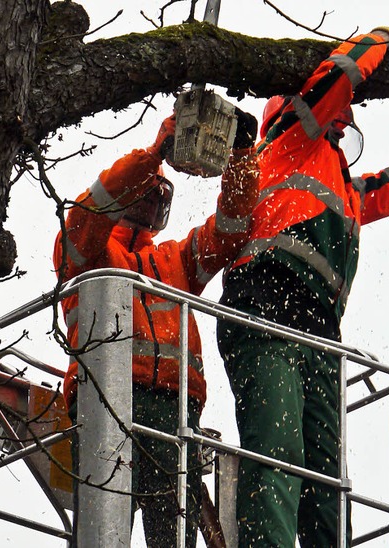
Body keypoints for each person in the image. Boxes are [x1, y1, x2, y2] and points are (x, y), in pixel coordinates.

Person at [216, 27, 389, 547]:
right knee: (277, 453)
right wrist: (379, 39)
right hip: (263, 312)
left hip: (317, 330)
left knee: (325, 481)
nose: (340, 135)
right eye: (337, 127)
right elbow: (342, 75)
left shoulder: (343, 190)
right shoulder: (286, 143)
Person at [53, 109, 259, 546]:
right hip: (106, 402)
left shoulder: (173, 262)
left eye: (158, 197)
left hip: (175, 412)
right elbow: (89, 213)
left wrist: (242, 153)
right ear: (125, 196)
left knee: (174, 538)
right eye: (144, 194)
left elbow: (232, 229)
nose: (151, 205)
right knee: (101, 532)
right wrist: (153, 155)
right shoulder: (84, 247)